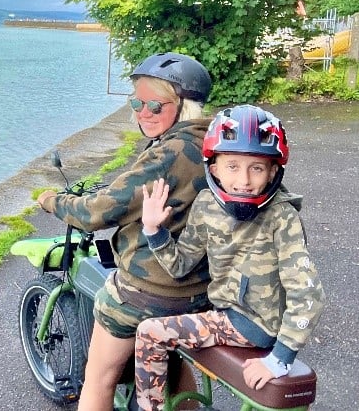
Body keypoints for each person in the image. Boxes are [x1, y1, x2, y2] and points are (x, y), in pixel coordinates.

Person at [37, 52, 213, 410]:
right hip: (202, 292)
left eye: (155, 104)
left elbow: (99, 211)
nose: (143, 112)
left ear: (183, 106)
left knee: (99, 377)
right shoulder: (214, 142)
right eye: (136, 102)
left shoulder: (170, 153)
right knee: (175, 364)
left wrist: (52, 201)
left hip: (151, 292)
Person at [135, 105, 324, 411]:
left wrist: (279, 359)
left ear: (274, 171)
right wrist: (154, 229)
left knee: (150, 333)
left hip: (252, 324)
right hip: (227, 310)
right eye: (233, 166)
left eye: (257, 168)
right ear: (214, 169)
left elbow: (308, 295)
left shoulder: (282, 216)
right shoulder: (207, 203)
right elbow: (181, 263)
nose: (245, 179)